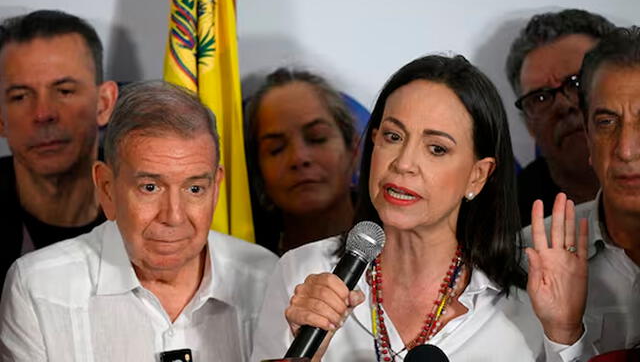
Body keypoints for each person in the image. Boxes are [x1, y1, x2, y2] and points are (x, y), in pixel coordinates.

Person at [251, 55, 588, 361]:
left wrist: (563, 333)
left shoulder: (530, 299)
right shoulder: (302, 270)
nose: (404, 164)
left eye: (436, 149)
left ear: (477, 176)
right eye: (394, 137)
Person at [0, 81, 278, 361]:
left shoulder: (265, 277)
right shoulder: (39, 288)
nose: (173, 217)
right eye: (150, 187)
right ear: (107, 188)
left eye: (194, 189)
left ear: (216, 188)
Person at [523, 26, 640, 359]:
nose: (627, 150)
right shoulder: (526, 257)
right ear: (588, 138)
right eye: (606, 122)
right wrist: (563, 335)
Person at [0, 10, 118, 289]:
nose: (43, 114)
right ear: (1, 120)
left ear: (103, 104)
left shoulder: (151, 207)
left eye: (64, 91)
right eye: (20, 96)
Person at [506, 9, 615, 226]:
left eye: (577, 83)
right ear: (527, 123)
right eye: (540, 97)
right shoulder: (507, 219)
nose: (563, 105)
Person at [245, 68, 359, 254]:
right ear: (258, 170)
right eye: (276, 149)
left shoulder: (398, 241)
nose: (299, 158)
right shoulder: (246, 265)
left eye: (317, 138)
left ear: (353, 149)